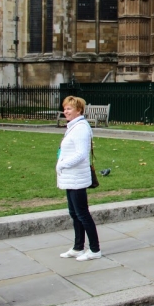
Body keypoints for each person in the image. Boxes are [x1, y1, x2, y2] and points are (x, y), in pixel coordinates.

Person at [57, 96, 102, 261]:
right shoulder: (73, 126)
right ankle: (77, 247)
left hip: (76, 176)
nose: (66, 111)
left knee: (82, 213)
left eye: (69, 108)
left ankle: (95, 249)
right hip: (70, 177)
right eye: (65, 108)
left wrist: (62, 165)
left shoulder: (81, 127)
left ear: (79, 110)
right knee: (74, 213)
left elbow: (81, 154)